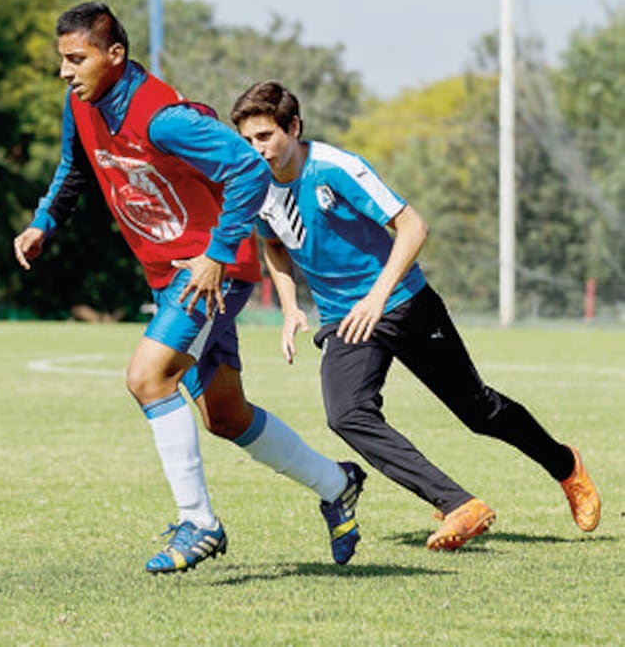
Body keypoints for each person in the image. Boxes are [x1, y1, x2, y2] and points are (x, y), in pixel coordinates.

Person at [13, 3, 366, 573]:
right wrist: (42, 223)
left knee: (147, 377)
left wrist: (217, 255)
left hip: (209, 269)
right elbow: (73, 168)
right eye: (62, 60)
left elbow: (249, 171)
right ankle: (336, 484)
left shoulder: (163, 117)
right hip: (174, 271)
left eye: (76, 59)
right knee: (226, 417)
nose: (65, 71)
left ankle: (198, 521)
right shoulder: (81, 104)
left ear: (114, 55)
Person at [229, 80, 601, 551]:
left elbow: (412, 226)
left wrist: (377, 297)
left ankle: (565, 466)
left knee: (478, 411)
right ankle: (458, 503)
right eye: (247, 141)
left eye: (265, 137)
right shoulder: (257, 186)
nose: (256, 149)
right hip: (347, 320)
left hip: (403, 301)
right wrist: (288, 308)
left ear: (294, 127)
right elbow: (275, 246)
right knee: (346, 415)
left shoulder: (336, 168)